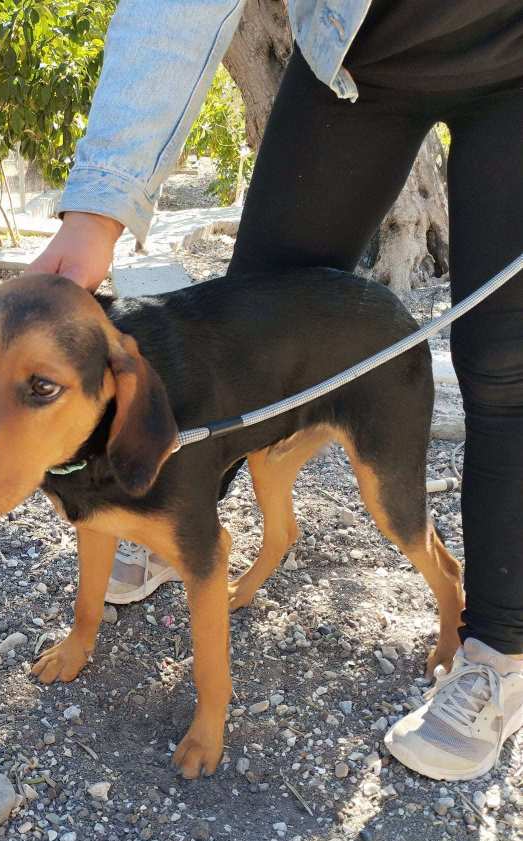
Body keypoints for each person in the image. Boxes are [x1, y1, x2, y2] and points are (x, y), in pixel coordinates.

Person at [28, 0, 523, 782]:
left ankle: (498, 647)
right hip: (357, 55)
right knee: (249, 318)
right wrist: (96, 211)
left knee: (505, 371)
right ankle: (168, 518)